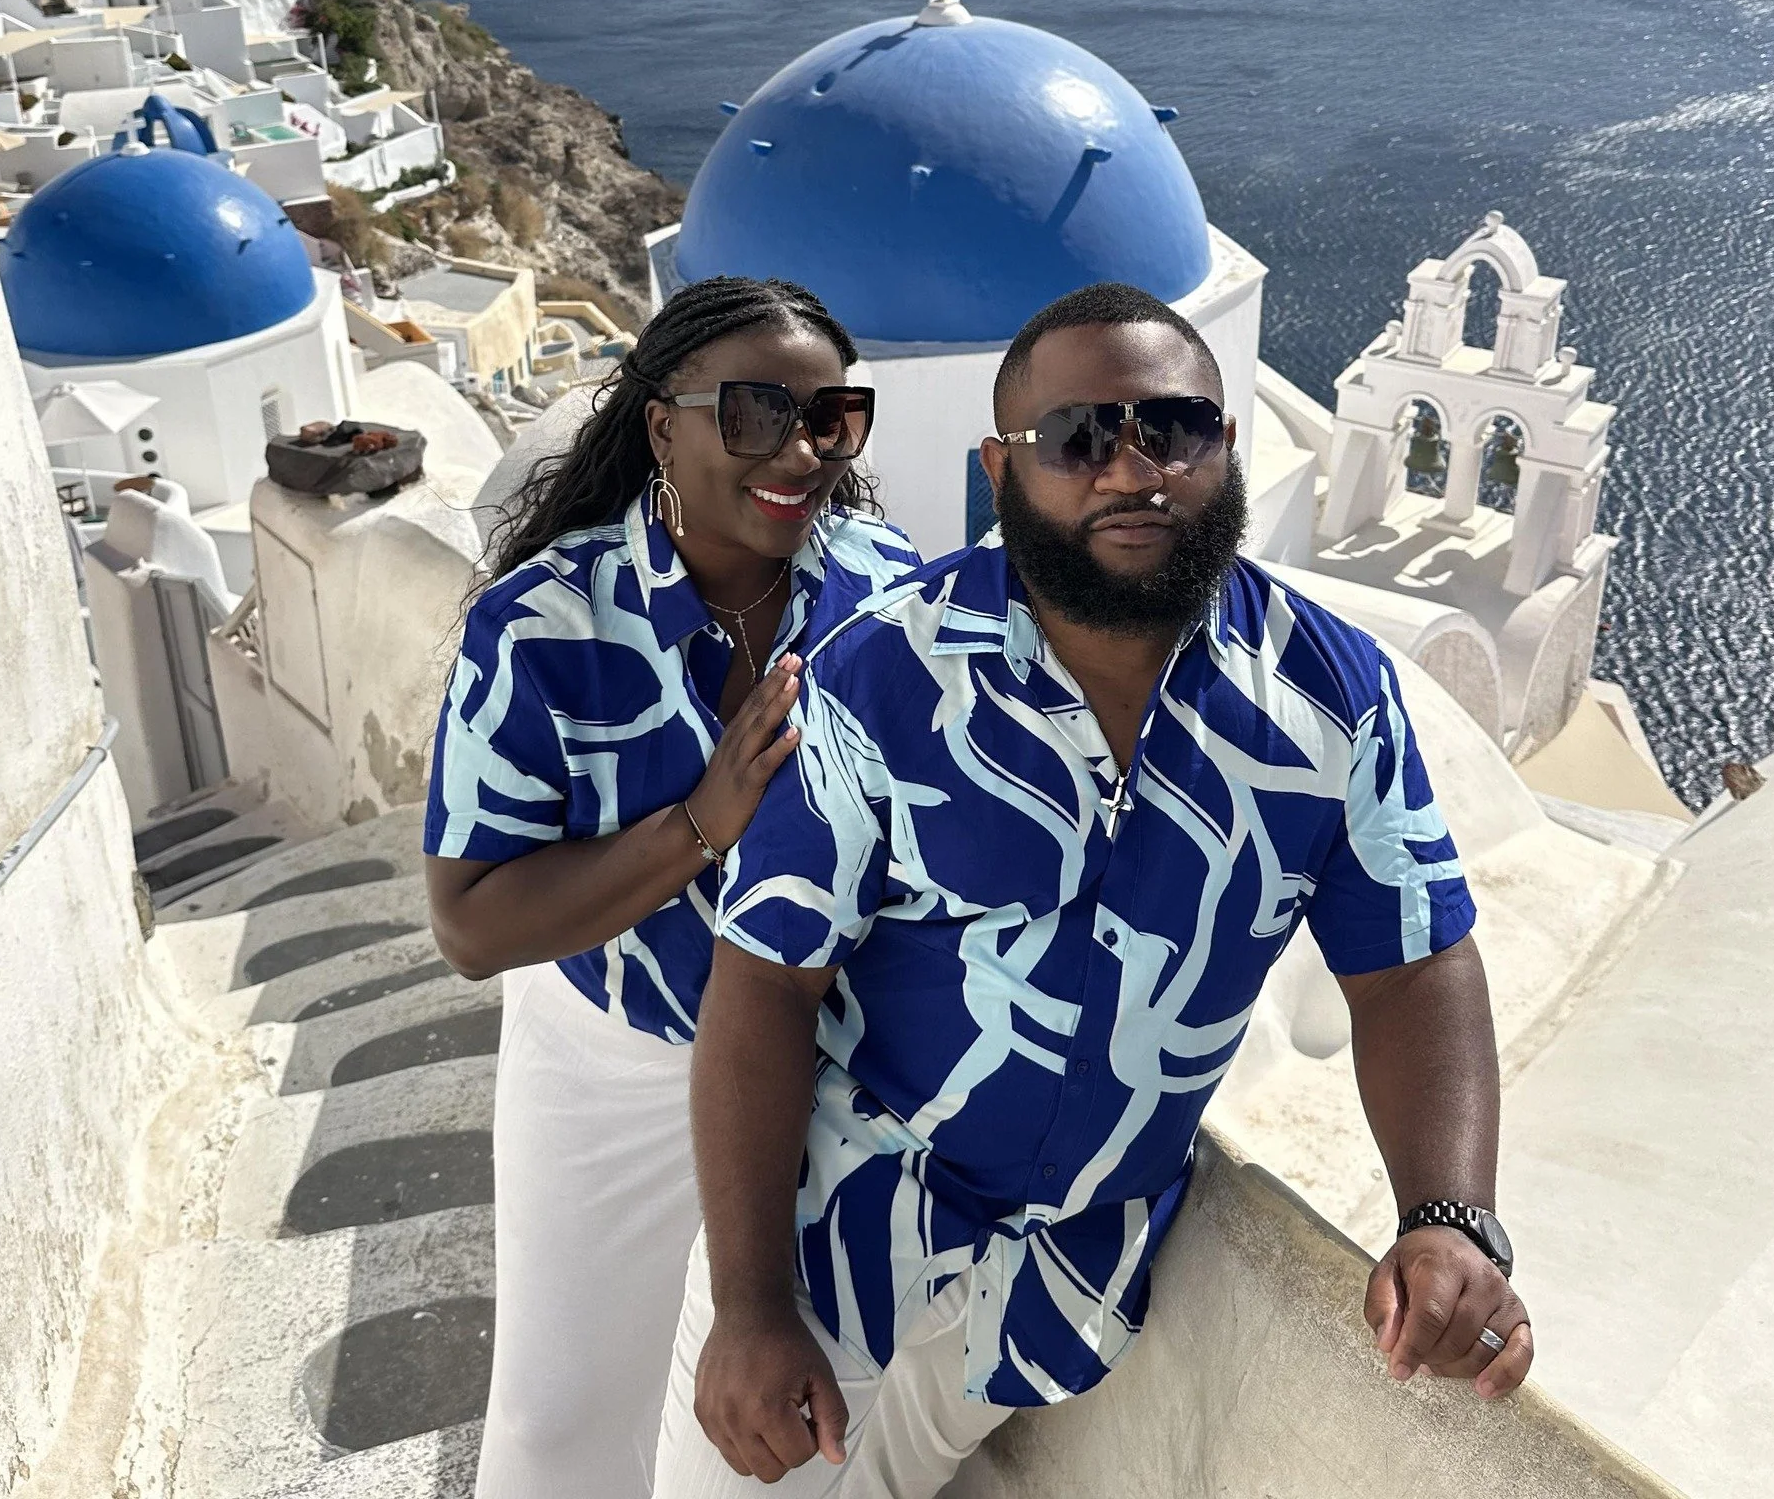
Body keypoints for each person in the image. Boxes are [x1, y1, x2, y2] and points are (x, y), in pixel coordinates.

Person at [655, 282, 1530, 1497]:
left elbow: (1412, 961)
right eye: (1074, 438)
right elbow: (761, 986)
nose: (1130, 471)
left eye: (1170, 429)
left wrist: (1448, 1213)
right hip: (824, 1244)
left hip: (1050, 1294)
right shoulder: (881, 676)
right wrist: (747, 1304)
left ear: (1222, 448)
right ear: (998, 466)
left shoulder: (1331, 702)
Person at [424, 275, 921, 1499]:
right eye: (753, 413)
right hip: (612, 1046)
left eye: (830, 417)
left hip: (815, 1053)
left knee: (777, 1432)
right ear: (662, 423)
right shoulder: (541, 625)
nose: (799, 450)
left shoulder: (880, 591)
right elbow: (473, 924)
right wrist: (701, 822)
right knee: (559, 1422)